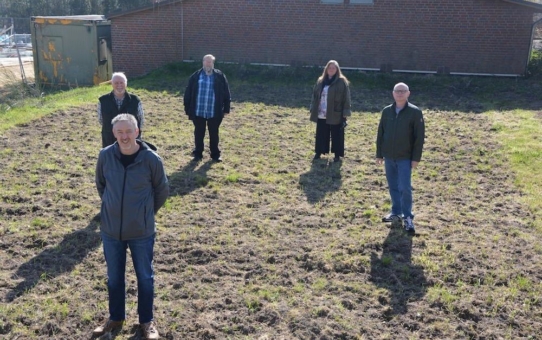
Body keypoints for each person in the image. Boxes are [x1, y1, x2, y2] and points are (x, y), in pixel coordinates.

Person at [94, 114, 169, 339]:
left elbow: (162, 191)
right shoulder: (105, 156)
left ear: (137, 132)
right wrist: (112, 210)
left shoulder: (151, 159)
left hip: (141, 231)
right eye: (120, 132)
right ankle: (115, 317)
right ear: (114, 133)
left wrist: (145, 214)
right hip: (111, 231)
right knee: (114, 278)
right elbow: (101, 186)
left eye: (128, 131)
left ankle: (146, 322)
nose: (124, 136)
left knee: (145, 277)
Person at [376, 82, 425, 233]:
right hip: (389, 157)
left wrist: (416, 158)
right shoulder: (386, 111)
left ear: (408, 93)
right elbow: (381, 133)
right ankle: (396, 212)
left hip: (405, 157)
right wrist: (379, 153)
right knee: (393, 186)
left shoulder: (415, 113)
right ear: (393, 93)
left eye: (403, 91)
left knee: (405, 187)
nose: (400, 94)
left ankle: (408, 217)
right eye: (397, 91)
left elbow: (419, 138)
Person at [184, 54, 231, 162]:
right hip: (198, 110)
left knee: (214, 133)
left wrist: (226, 109)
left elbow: (226, 93)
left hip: (214, 111)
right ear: (203, 62)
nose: (208, 63)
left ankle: (215, 155)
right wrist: (187, 108)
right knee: (199, 133)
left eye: (210, 62)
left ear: (213, 63)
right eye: (206, 61)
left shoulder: (219, 76)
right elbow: (188, 93)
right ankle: (198, 154)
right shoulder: (195, 76)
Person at [309, 60, 352, 162]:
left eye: (333, 68)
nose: (331, 69)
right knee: (321, 133)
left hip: (335, 113)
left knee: (336, 134)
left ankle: (337, 155)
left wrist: (345, 113)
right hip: (321, 112)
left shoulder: (342, 82)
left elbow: (346, 98)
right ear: (326, 69)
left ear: (337, 70)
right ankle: (319, 152)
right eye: (329, 67)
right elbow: (314, 96)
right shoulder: (320, 81)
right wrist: (312, 107)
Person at [98, 72, 145, 148]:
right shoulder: (103, 101)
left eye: (121, 83)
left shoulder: (135, 100)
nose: (119, 85)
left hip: (131, 141)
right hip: (109, 141)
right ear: (112, 84)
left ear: (126, 84)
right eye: (116, 83)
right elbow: (101, 120)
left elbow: (141, 120)